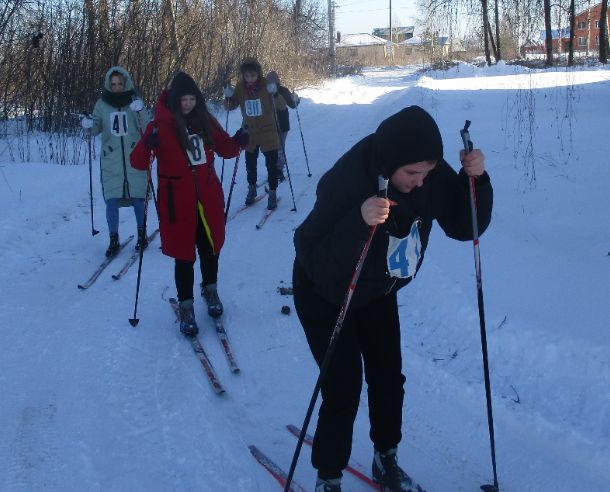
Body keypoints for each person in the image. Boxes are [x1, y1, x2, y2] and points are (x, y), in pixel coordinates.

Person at [292, 106, 493, 492]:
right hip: (326, 293)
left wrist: (477, 180)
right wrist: (358, 221)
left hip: (376, 289)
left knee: (388, 376)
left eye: (427, 173)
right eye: (412, 174)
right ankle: (328, 477)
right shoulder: (348, 180)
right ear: (390, 164)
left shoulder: (425, 175)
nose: (420, 183)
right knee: (344, 386)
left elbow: (466, 225)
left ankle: (386, 457)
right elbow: (309, 250)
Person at [130, 72, 249, 336]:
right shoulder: (159, 126)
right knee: (184, 257)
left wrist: (239, 140)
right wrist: (147, 146)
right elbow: (138, 162)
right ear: (174, 100)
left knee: (211, 249)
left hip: (207, 200)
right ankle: (186, 305)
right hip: (177, 203)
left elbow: (226, 149)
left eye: (191, 98)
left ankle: (211, 289)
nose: (187, 104)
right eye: (183, 99)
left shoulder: (204, 120)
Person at [81, 66, 152, 256]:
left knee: (138, 196)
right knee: (111, 199)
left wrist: (141, 110)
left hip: (135, 156)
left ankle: (141, 233)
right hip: (111, 159)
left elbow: (146, 127)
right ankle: (114, 238)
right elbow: (95, 128)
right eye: (113, 84)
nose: (117, 87)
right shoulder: (102, 104)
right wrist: (88, 124)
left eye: (120, 83)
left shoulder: (135, 101)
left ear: (126, 82)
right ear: (108, 84)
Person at [224, 58, 280, 210]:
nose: (249, 79)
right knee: (250, 164)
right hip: (249, 131)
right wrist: (228, 97)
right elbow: (232, 105)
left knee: (271, 164)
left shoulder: (265, 85)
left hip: (268, 130)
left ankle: (273, 192)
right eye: (246, 76)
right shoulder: (241, 87)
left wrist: (275, 91)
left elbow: (278, 101)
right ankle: (252, 188)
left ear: (258, 74)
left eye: (252, 75)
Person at [265, 70, 300, 182]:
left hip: (282, 125)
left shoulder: (283, 91)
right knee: (271, 148)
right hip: (268, 125)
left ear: (277, 81)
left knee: (279, 148)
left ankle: (279, 169)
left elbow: (292, 105)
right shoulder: (264, 92)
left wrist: (295, 99)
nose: (271, 83)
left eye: (273, 80)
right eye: (269, 81)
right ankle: (273, 168)